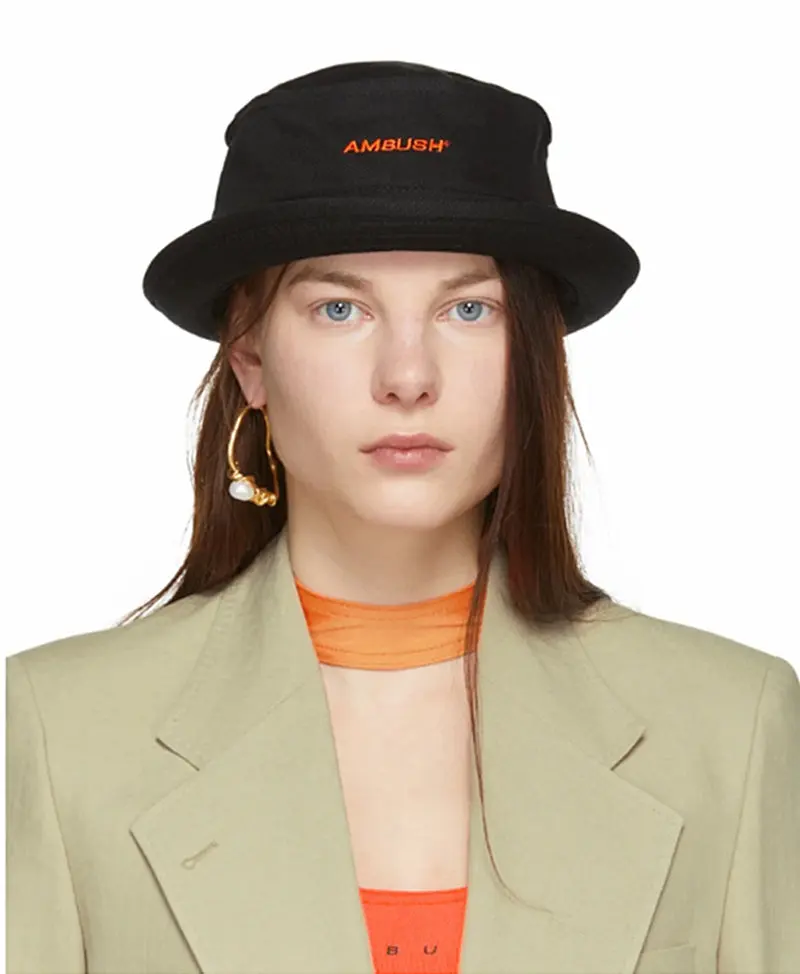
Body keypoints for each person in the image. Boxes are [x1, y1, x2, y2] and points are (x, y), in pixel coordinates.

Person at [6, 61, 799, 974]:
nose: (409, 376)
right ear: (250, 358)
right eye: (340, 308)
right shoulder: (59, 734)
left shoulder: (730, 728)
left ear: (534, 351)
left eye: (469, 308)